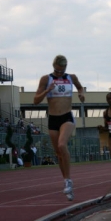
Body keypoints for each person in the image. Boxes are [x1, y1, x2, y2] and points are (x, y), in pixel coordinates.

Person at [33, 54, 85, 201]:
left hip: (67, 116)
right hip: (53, 119)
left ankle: (69, 180)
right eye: (58, 71)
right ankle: (65, 181)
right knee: (58, 153)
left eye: (62, 71)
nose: (60, 73)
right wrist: (47, 90)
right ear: (54, 67)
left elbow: (80, 88)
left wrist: (81, 95)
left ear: (66, 68)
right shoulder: (46, 79)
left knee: (62, 145)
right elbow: (36, 101)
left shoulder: (72, 77)